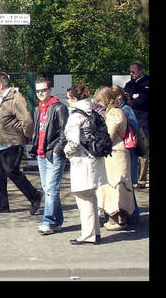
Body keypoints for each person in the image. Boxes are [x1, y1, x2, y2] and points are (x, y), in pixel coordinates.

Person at [0, 72, 42, 214]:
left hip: (12, 142)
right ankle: (2, 205)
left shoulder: (16, 98)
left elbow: (27, 120)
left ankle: (34, 196)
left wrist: (25, 136)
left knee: (12, 171)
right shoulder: (0, 99)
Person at [64, 85, 107, 245]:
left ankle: (88, 235)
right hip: (95, 159)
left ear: (75, 99)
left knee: (84, 198)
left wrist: (66, 151)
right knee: (91, 196)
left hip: (82, 162)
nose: (67, 101)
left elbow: (74, 141)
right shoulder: (91, 111)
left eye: (68, 98)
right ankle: (95, 232)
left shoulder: (76, 116)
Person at [29, 77, 68, 234]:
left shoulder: (59, 107)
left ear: (50, 90)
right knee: (48, 189)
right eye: (38, 91)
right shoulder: (38, 109)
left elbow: (65, 131)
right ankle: (57, 221)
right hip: (41, 154)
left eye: (43, 90)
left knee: (51, 189)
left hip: (54, 153)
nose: (40, 93)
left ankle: (48, 222)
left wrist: (58, 149)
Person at [94, 86, 135, 230]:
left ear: (105, 99)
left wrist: (99, 145)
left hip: (115, 154)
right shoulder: (116, 111)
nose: (98, 103)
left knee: (115, 188)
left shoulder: (114, 113)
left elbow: (109, 135)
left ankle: (116, 221)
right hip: (117, 153)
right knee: (120, 187)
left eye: (99, 100)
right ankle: (120, 219)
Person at [111, 85, 140, 219]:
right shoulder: (118, 109)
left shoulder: (125, 108)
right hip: (125, 148)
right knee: (125, 182)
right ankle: (130, 212)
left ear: (119, 96)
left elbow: (134, 126)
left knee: (127, 182)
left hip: (128, 148)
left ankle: (134, 213)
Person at [124, 60, 149, 188]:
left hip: (143, 121)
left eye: (133, 71)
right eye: (130, 71)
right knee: (130, 149)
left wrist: (133, 98)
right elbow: (125, 97)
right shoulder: (129, 84)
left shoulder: (147, 82)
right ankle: (131, 176)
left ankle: (141, 179)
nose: (131, 74)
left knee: (143, 151)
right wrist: (133, 97)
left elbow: (143, 101)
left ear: (141, 71)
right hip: (130, 122)